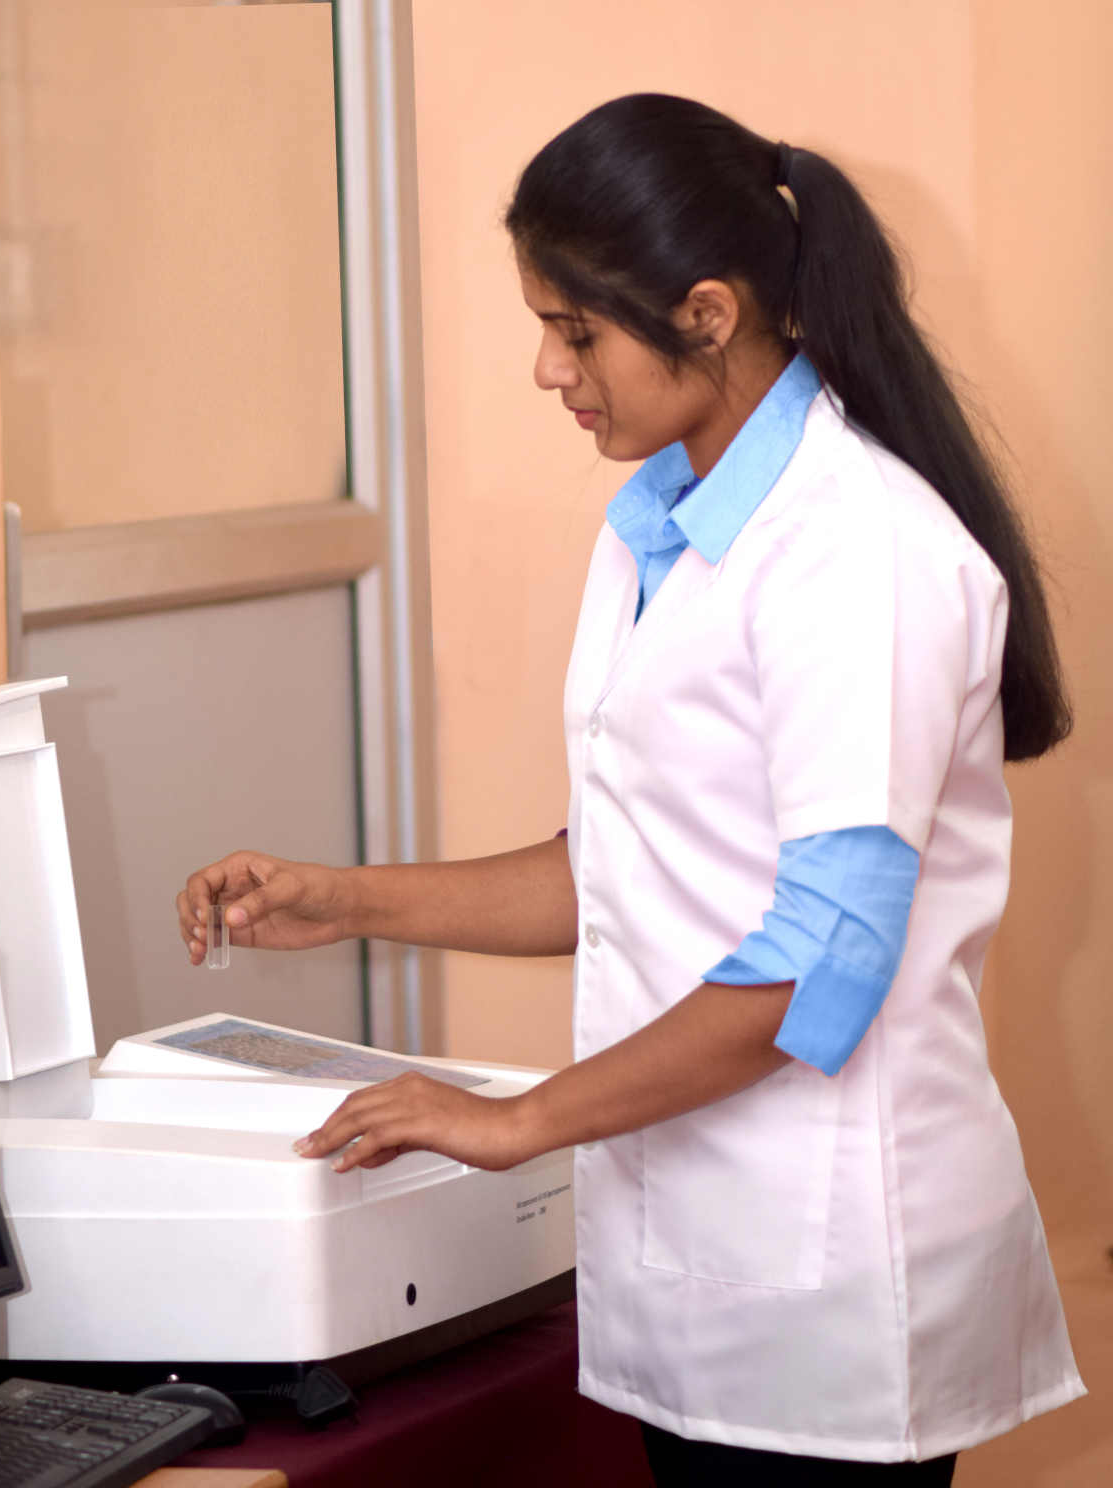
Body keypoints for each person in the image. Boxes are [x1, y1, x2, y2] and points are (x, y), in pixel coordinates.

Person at [176, 94, 1085, 1485]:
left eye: (575, 329)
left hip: (827, 1257)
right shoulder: (663, 522)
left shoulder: (858, 554)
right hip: (702, 1244)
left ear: (708, 315)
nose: (548, 368)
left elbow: (819, 963)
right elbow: (627, 861)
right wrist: (341, 899)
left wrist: (514, 1119)